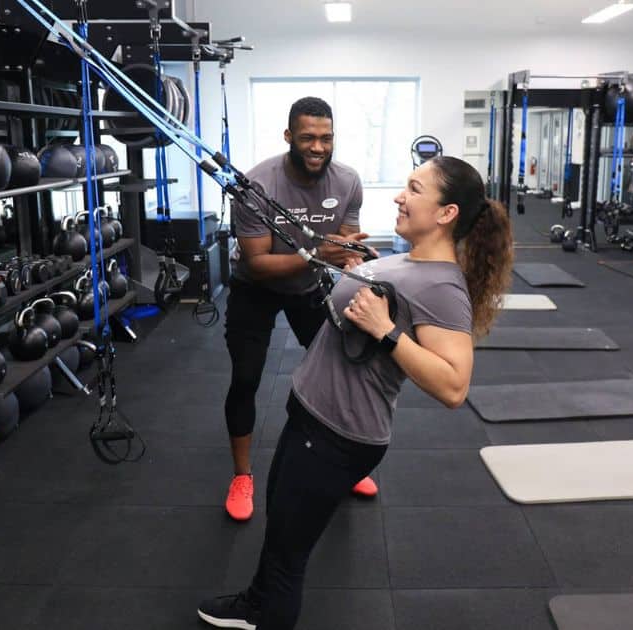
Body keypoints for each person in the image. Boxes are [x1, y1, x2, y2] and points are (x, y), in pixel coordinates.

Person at [198, 156, 515, 629]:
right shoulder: (407, 259)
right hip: (311, 416)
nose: (399, 196)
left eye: (413, 188)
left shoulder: (444, 287)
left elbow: (454, 386)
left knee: (289, 554)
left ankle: (267, 613)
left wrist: (386, 331)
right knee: (280, 530)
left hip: (337, 436)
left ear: (446, 213)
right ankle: (255, 602)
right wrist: (355, 267)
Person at [223, 96, 377, 522]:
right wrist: (319, 253)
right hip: (255, 288)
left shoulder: (347, 181)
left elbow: (345, 246)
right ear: (289, 136)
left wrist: (356, 255)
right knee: (246, 378)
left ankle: (344, 466)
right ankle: (242, 476)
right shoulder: (256, 186)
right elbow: (257, 262)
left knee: (341, 371)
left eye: (326, 138)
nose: (318, 147)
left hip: (307, 286)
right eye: (308, 137)